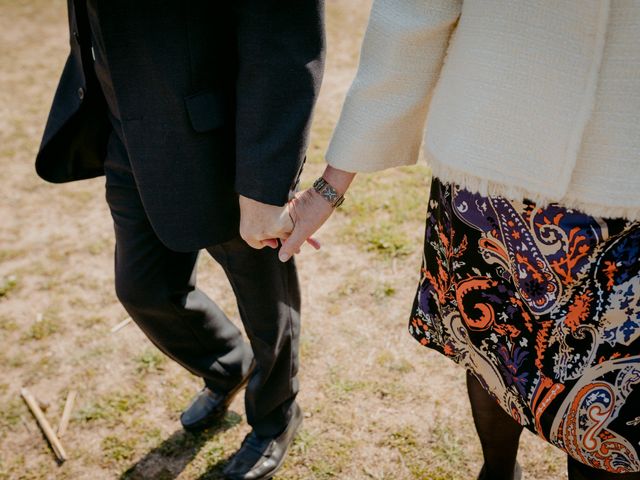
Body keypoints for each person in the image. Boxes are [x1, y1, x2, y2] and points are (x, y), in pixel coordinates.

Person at [279, 1, 640, 479]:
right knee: (493, 346)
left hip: (625, 192)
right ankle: (496, 472)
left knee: (617, 403)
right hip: (493, 171)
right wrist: (328, 188)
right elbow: (411, 18)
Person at [35, 1, 324, 479]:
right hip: (124, 128)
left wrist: (264, 183)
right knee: (143, 288)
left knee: (264, 303)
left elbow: (285, 37)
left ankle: (276, 416)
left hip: (223, 143)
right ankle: (231, 364)